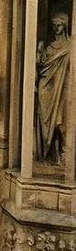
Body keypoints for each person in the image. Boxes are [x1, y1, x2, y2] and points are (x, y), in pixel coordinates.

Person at [36, 11, 70, 163]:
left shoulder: (70, 46)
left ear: (65, 26)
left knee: (61, 123)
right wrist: (38, 51)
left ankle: (63, 156)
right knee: (45, 122)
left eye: (59, 25)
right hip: (45, 88)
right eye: (54, 26)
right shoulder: (46, 47)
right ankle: (45, 153)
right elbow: (37, 66)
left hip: (63, 87)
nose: (56, 28)